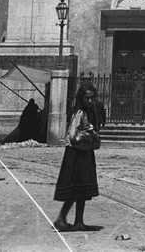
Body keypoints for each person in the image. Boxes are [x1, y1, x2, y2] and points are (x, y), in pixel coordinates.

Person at [53, 84, 100, 231]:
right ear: (81, 98)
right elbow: (73, 136)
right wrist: (90, 134)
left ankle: (78, 220)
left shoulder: (88, 112)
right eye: (87, 98)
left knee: (81, 189)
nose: (90, 101)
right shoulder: (79, 113)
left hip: (84, 152)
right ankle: (62, 218)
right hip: (76, 153)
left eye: (92, 98)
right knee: (75, 188)